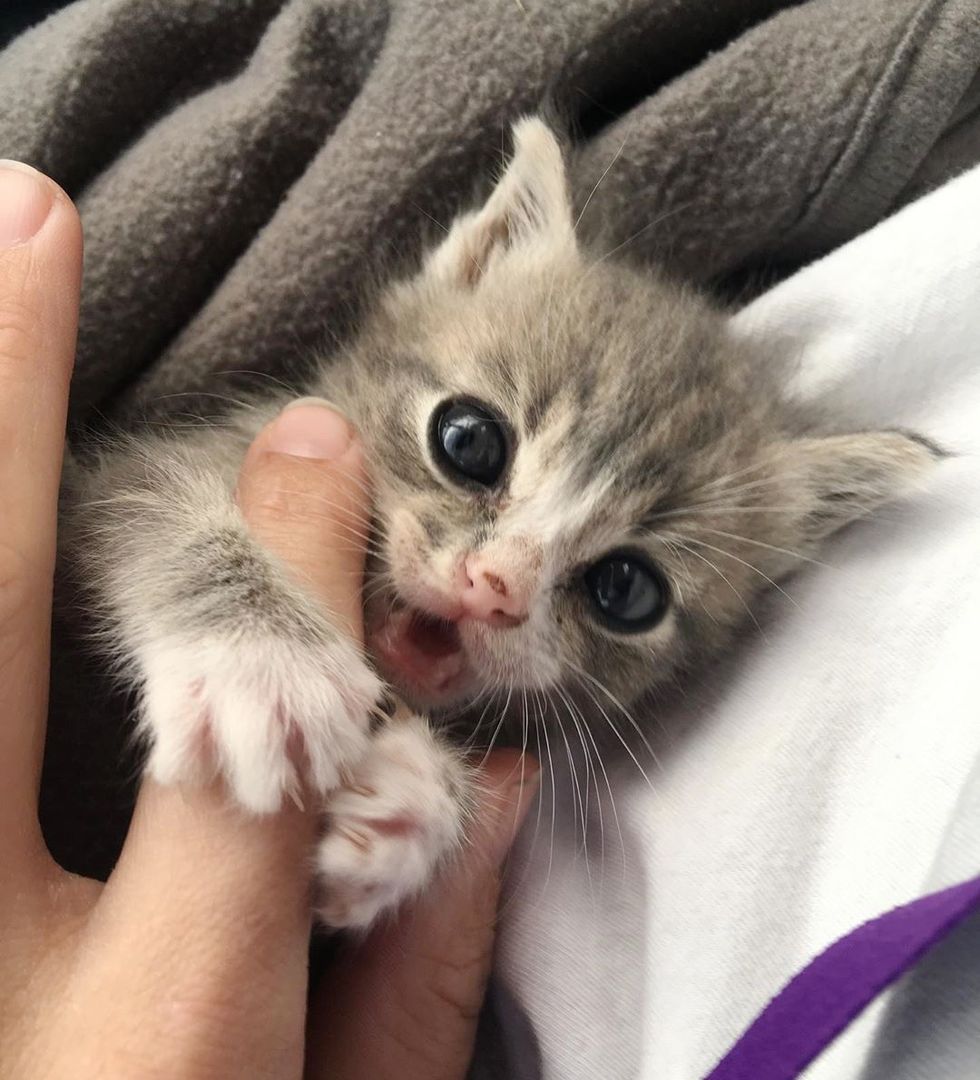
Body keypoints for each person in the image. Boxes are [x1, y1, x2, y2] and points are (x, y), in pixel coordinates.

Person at [0, 159, 538, 1078]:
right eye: (471, 447)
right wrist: (234, 609)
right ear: (469, 265)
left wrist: (425, 799)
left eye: (618, 588)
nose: (500, 583)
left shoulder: (517, 738)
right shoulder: (327, 441)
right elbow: (120, 502)